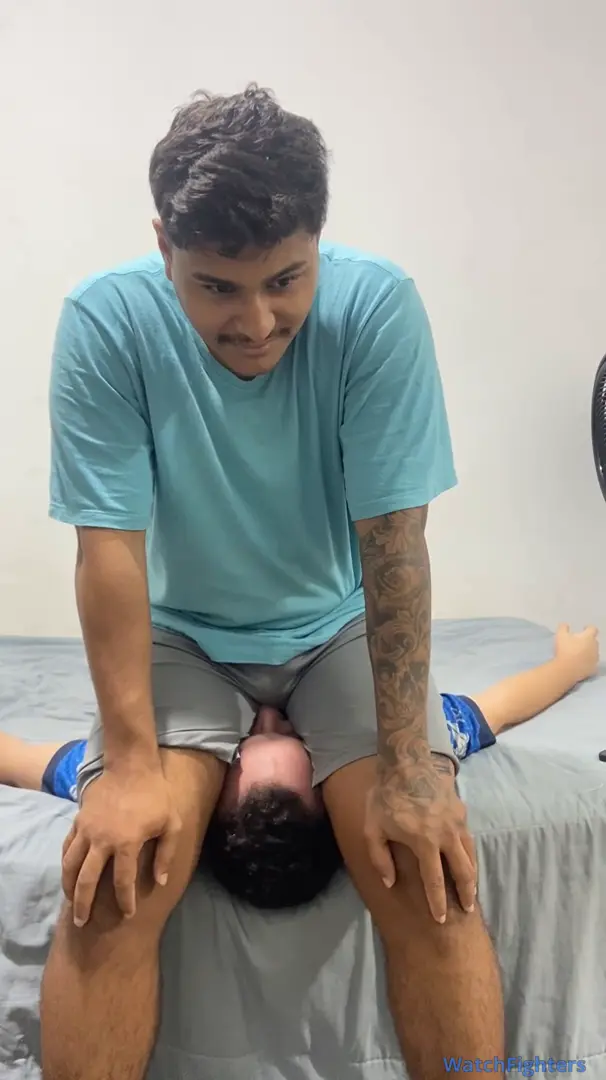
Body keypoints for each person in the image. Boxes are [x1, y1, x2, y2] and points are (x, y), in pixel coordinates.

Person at [42, 83, 502, 1080]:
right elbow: (108, 550)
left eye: (286, 280)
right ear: (164, 246)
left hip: (339, 627)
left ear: (319, 243)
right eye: (217, 287)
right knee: (118, 883)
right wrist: (128, 769)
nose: (256, 322)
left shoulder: (375, 307)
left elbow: (395, 544)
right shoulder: (106, 321)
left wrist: (413, 772)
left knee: (424, 873)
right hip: (185, 636)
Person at [2, 623, 597, 909]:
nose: (268, 711)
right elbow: (497, 708)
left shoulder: (133, 785)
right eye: (295, 737)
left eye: (245, 744)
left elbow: (21, 759)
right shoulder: (398, 750)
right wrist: (570, 664)